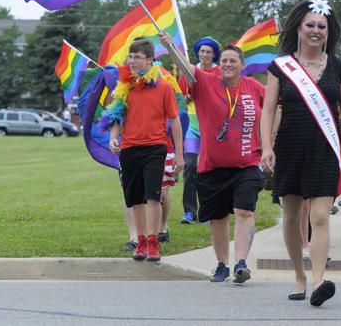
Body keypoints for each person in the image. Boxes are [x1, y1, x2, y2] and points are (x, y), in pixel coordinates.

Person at [260, 0, 341, 307]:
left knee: (321, 215)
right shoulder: (281, 66)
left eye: (322, 27)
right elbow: (267, 111)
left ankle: (320, 279)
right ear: (298, 27)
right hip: (290, 147)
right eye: (310, 25)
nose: (316, 31)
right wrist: (266, 147)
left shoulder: (338, 68)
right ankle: (299, 275)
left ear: (328, 32)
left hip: (326, 148)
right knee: (293, 215)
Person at [161, 35, 266, 284]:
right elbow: (188, 71)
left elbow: (274, 107)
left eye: (233, 61)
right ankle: (222, 264)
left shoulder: (253, 86)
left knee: (244, 211)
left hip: (247, 164)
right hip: (212, 166)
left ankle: (241, 263)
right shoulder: (206, 82)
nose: (228, 64)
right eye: (225, 60)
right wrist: (171, 48)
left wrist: (270, 140)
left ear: (242, 65)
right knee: (218, 219)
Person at [103, 39, 185, 262]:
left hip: (155, 148)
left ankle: (153, 241)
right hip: (129, 149)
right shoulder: (124, 88)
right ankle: (140, 241)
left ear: (150, 60)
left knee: (153, 196)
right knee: (135, 199)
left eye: (137, 57)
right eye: (130, 56)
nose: (132, 60)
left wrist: (179, 155)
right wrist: (112, 138)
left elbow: (175, 121)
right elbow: (116, 116)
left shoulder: (165, 87)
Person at [181, 36, 223, 225]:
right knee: (190, 165)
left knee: (209, 170)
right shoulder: (189, 71)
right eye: (202, 51)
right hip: (193, 127)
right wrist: (187, 97)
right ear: (198, 52)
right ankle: (189, 212)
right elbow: (181, 97)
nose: (205, 54)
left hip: (212, 128)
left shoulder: (220, 72)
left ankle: (208, 211)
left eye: (209, 52)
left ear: (214, 55)